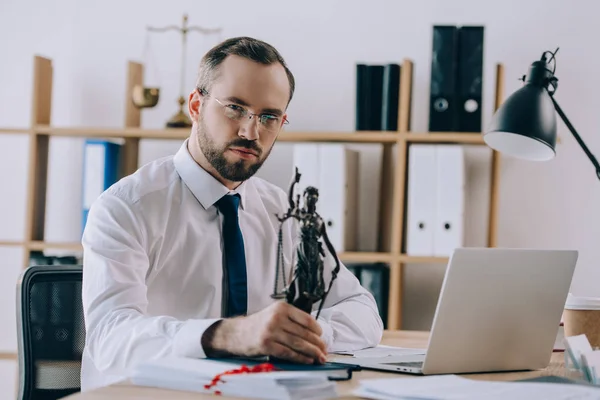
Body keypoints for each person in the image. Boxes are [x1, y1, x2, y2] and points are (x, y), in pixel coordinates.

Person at [80, 36, 383, 391]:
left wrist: (306, 335)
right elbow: (109, 338)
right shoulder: (126, 207)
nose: (250, 131)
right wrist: (224, 335)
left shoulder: (282, 212)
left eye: (269, 117)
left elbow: (362, 310)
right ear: (195, 105)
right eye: (235, 108)